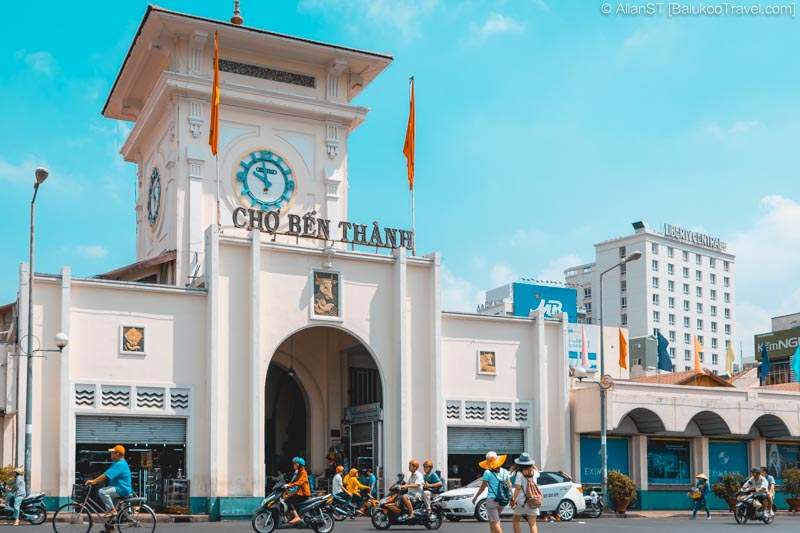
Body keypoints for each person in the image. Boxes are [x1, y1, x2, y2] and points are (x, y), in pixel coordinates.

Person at [85, 445, 133, 517]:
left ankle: (113, 511)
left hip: (121, 489)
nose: (111, 454)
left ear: (117, 454)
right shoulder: (118, 463)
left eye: (112, 452)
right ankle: (110, 527)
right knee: (108, 507)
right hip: (119, 488)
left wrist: (94, 481)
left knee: (102, 491)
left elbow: (106, 475)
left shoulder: (120, 464)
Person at [471, 451, 511, 533]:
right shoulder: (504, 471)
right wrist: (513, 499)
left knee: (496, 522)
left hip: (492, 500)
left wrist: (476, 497)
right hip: (502, 500)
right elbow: (509, 485)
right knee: (493, 520)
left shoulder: (487, 472)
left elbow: (482, 487)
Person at [510, 453, 539, 533]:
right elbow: (537, 471)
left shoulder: (519, 474)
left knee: (515, 521)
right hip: (533, 500)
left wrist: (513, 500)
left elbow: (518, 488)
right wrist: (533, 464)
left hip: (521, 501)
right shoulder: (534, 473)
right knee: (532, 524)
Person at [284, 457, 310, 525]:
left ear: (299, 465)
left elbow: (300, 482)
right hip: (299, 493)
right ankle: (292, 516)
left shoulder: (303, 472)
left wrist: (290, 486)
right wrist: (287, 485)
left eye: (295, 464)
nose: (293, 465)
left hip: (303, 494)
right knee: (287, 500)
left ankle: (296, 517)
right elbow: (294, 481)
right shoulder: (299, 472)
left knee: (290, 501)